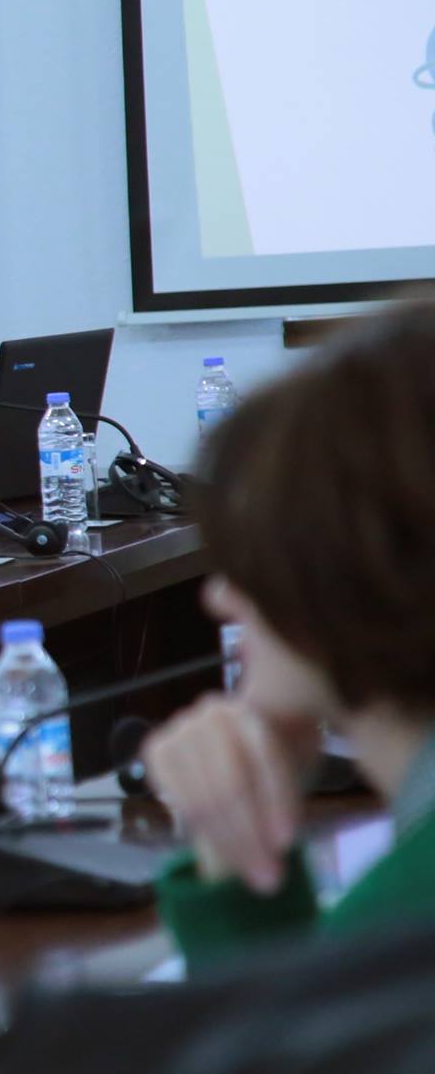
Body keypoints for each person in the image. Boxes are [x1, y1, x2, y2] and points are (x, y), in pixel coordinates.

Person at [141, 301, 435, 971]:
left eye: (250, 557)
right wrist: (237, 851)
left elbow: (289, 1025)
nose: (219, 598)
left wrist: (233, 873)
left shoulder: (403, 919)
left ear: (353, 570)